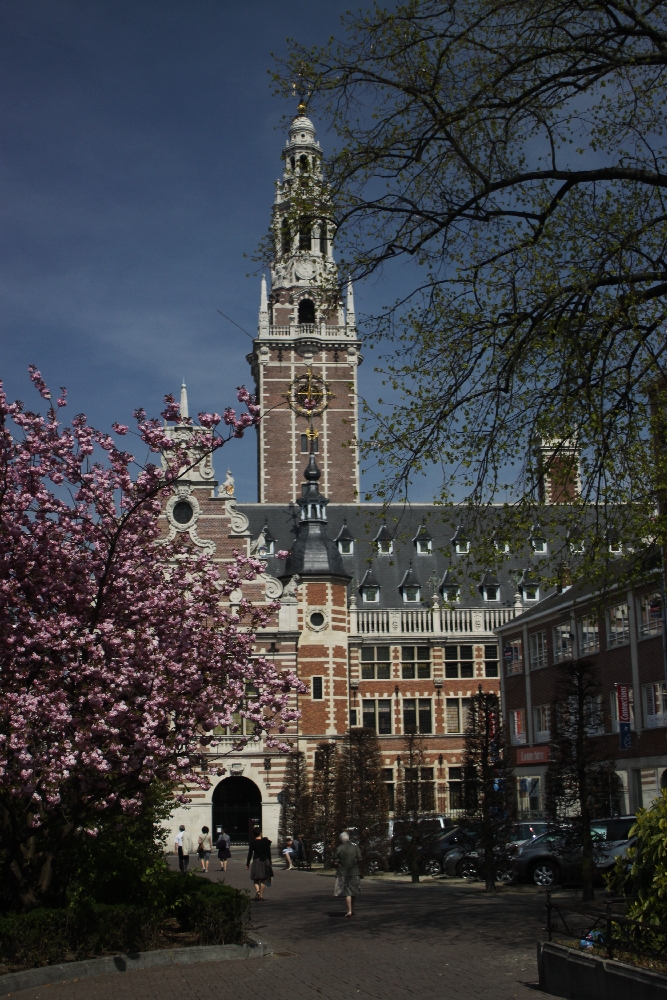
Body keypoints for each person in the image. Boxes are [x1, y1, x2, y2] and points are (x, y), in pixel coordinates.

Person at [334, 831, 362, 918]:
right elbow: (360, 859)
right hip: (355, 871)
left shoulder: (339, 848)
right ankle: (352, 909)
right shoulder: (355, 847)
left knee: (347, 892)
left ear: (341, 839)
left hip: (343, 872)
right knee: (353, 892)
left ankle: (349, 910)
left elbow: (336, 862)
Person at [246, 826, 272, 900]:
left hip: (256, 860)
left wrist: (247, 863)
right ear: (260, 833)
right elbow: (268, 852)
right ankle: (261, 895)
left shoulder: (253, 842)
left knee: (256, 878)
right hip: (265, 860)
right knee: (263, 879)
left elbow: (250, 853)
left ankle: (257, 891)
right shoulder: (266, 842)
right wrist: (270, 862)